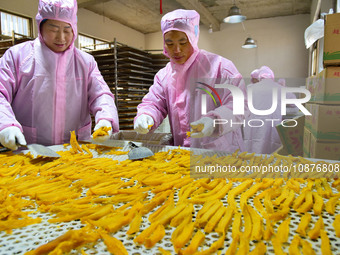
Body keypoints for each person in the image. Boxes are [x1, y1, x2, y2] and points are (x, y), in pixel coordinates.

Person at [0, 0, 119, 150]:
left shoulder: (85, 62)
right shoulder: (17, 56)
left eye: (67, 30)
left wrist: (105, 118)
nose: (61, 38)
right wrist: (5, 124)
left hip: (76, 149)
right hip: (28, 149)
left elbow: (101, 94)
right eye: (54, 29)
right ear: (40, 26)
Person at [134, 9, 247, 152]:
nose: (177, 50)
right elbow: (154, 103)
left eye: (183, 42)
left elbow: (240, 104)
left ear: (193, 38)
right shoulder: (163, 76)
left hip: (222, 153)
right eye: (169, 43)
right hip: (183, 154)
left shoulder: (219, 67)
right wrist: (146, 115)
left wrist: (214, 121)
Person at [243, 66, 291, 154]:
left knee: (252, 155)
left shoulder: (250, 88)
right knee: (271, 157)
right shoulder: (279, 88)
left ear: (259, 77)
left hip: (253, 128)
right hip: (271, 128)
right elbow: (294, 104)